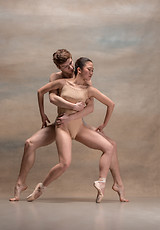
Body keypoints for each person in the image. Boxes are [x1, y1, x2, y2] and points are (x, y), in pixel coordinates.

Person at [10, 49, 128, 203]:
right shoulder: (57, 79)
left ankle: (118, 185)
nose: (70, 68)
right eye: (66, 66)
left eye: (71, 63)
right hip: (61, 122)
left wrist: (76, 115)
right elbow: (51, 97)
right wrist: (45, 114)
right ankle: (20, 185)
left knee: (111, 144)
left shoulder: (84, 78)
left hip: (78, 122)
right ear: (59, 68)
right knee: (30, 143)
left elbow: (90, 107)